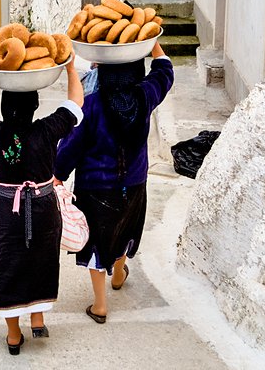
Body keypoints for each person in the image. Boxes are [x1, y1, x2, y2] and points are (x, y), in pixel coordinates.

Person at [0, 59, 84, 355]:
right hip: (41, 209)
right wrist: (71, 69)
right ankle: (37, 317)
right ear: (35, 106)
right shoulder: (48, 130)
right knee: (40, 261)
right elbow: (76, 104)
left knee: (6, 267)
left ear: (3, 107)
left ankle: (14, 336)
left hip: (2, 214)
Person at [53, 42, 174, 324]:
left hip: (95, 186)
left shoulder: (91, 106)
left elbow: (71, 146)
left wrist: (57, 173)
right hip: (134, 182)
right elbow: (165, 72)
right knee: (124, 227)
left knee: (96, 242)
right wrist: (153, 44)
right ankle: (119, 274)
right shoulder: (145, 96)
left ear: (104, 73)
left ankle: (100, 305)